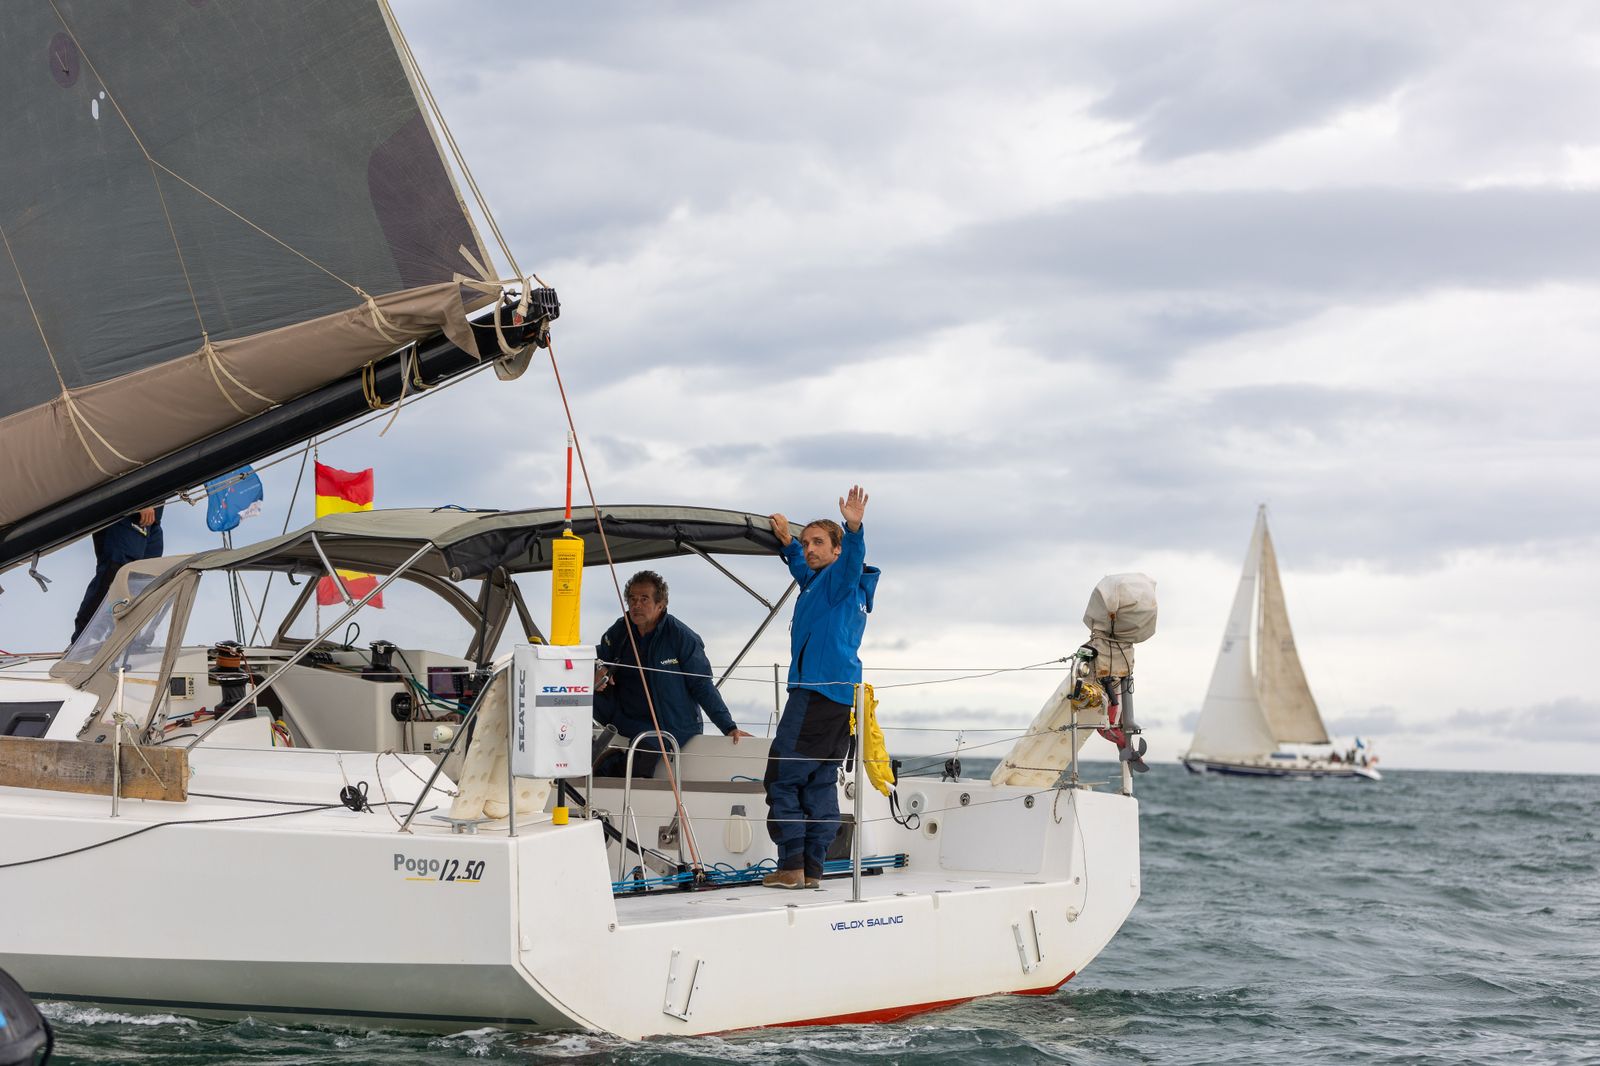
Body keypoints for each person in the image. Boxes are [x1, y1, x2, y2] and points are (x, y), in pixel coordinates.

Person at [762, 485, 880, 889]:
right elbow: (803, 571)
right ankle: (812, 869)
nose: (809, 549)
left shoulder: (840, 579)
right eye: (806, 542)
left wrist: (854, 528)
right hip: (840, 701)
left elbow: (851, 560)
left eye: (818, 543)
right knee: (819, 783)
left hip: (814, 695)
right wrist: (788, 544)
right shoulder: (823, 584)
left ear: (837, 550)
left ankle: (791, 865)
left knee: (782, 777)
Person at [592, 570, 751, 778]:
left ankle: (605, 767)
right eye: (632, 599)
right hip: (627, 717)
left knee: (643, 758)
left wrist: (728, 726)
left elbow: (702, 685)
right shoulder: (620, 631)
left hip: (670, 724)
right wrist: (598, 669)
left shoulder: (682, 637)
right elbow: (598, 657)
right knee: (576, 692)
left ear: (660, 604)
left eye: (644, 599)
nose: (636, 605)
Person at [71, 506, 164, 644]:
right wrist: (142, 502)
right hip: (129, 511)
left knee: (143, 582)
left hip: (154, 519)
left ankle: (124, 639)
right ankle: (85, 639)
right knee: (115, 575)